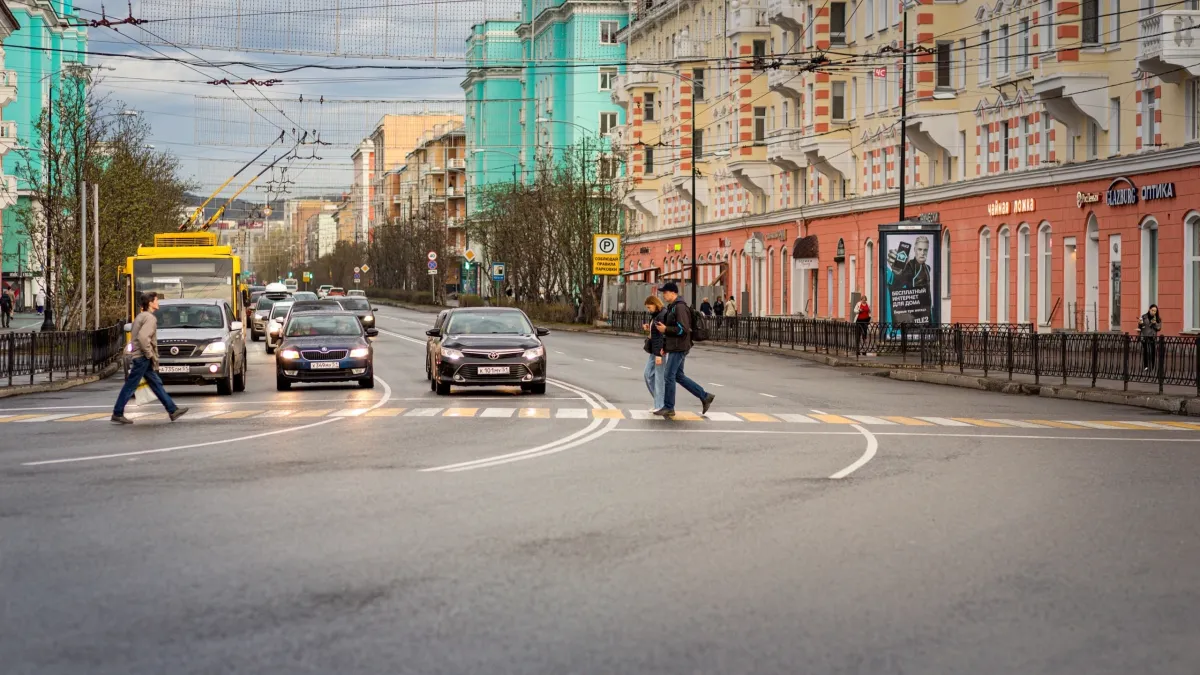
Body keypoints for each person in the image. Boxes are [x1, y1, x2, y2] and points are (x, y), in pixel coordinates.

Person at [112, 292, 188, 425]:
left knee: (156, 383)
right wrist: (149, 354)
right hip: (142, 357)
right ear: (151, 303)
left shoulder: (141, 316)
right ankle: (117, 412)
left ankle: (172, 410)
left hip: (140, 357)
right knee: (131, 385)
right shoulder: (150, 318)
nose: (158, 302)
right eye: (156, 300)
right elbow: (143, 338)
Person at [653, 282, 716, 418]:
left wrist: (666, 329)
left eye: (665, 292)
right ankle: (705, 396)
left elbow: (683, 329)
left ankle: (669, 407)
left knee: (669, 375)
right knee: (678, 376)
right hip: (676, 346)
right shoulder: (673, 307)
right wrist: (664, 346)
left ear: (673, 293)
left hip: (679, 346)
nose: (663, 295)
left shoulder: (680, 307)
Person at [641, 295, 667, 413]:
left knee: (659, 378)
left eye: (649, 307)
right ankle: (659, 402)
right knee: (648, 375)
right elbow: (656, 333)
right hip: (655, 351)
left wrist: (658, 355)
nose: (648, 309)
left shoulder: (661, 315)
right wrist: (649, 328)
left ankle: (661, 405)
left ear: (655, 304)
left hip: (659, 352)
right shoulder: (656, 315)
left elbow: (660, 337)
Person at [1138, 304, 1162, 373]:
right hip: (1145, 337)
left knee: (1153, 352)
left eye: (1155, 311)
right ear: (1149, 309)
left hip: (1152, 337)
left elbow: (1159, 328)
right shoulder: (1144, 317)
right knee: (1145, 352)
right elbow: (1140, 327)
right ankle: (1146, 367)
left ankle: (1152, 366)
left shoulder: (1157, 318)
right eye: (1152, 310)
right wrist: (1140, 323)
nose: (1153, 312)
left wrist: (1155, 324)